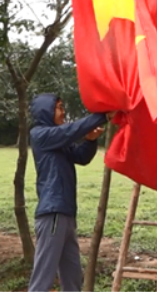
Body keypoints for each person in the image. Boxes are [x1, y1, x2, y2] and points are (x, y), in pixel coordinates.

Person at [27, 94, 106, 292]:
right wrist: (102, 115)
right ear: (46, 111)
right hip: (53, 213)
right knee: (43, 278)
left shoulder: (58, 140)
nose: (63, 113)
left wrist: (89, 141)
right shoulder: (41, 134)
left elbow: (81, 157)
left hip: (66, 213)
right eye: (59, 108)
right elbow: (71, 130)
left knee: (72, 277)